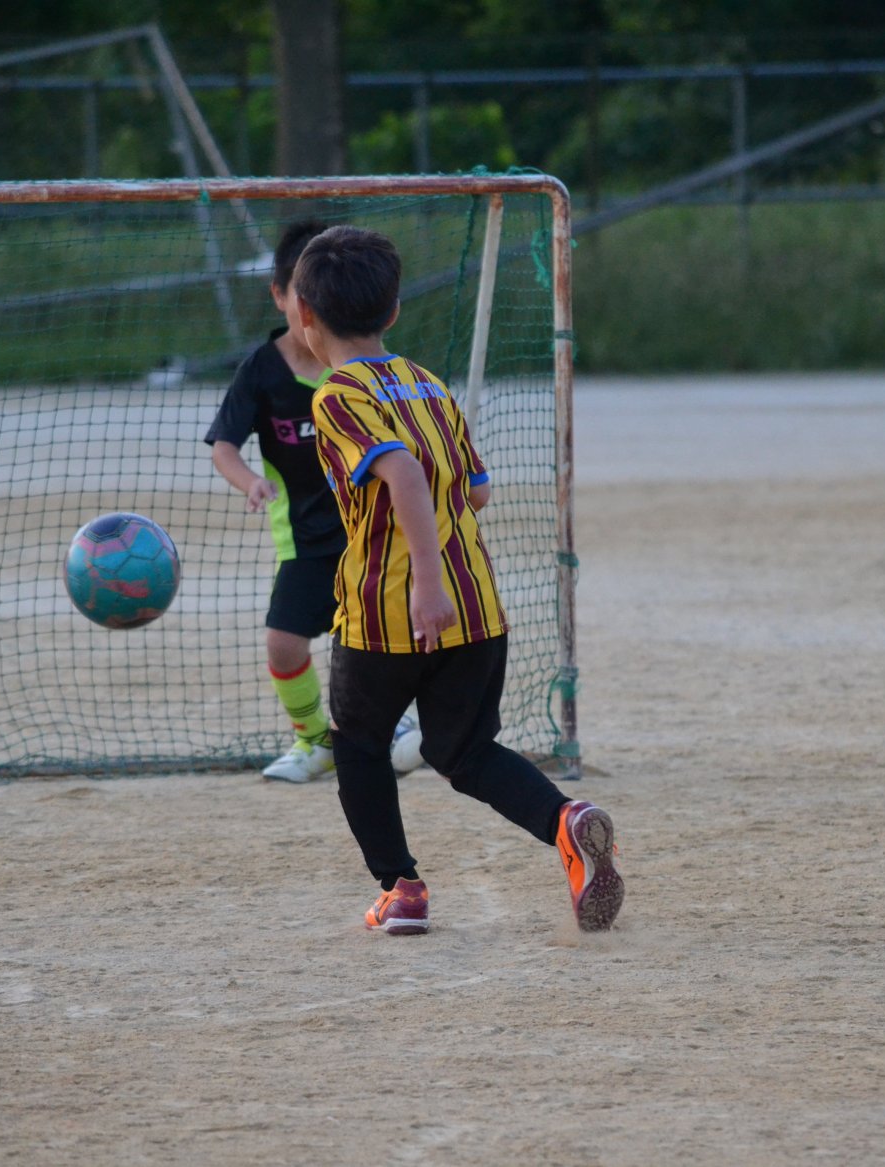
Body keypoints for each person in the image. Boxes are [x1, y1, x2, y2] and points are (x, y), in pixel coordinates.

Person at [295, 224, 624, 935]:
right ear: (392, 313)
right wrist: (444, 567)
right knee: (464, 751)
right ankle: (566, 822)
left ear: (303, 318)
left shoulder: (335, 396)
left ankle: (401, 889)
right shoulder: (429, 385)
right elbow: (475, 492)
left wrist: (423, 579)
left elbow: (403, 472)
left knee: (357, 743)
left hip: (390, 611)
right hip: (477, 608)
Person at [206, 219, 421, 783]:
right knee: (283, 642)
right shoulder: (261, 372)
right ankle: (314, 741)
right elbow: (223, 444)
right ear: (282, 297)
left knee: (376, 638)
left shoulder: (365, 372)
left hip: (371, 532)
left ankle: (396, 728)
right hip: (303, 538)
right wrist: (249, 479)